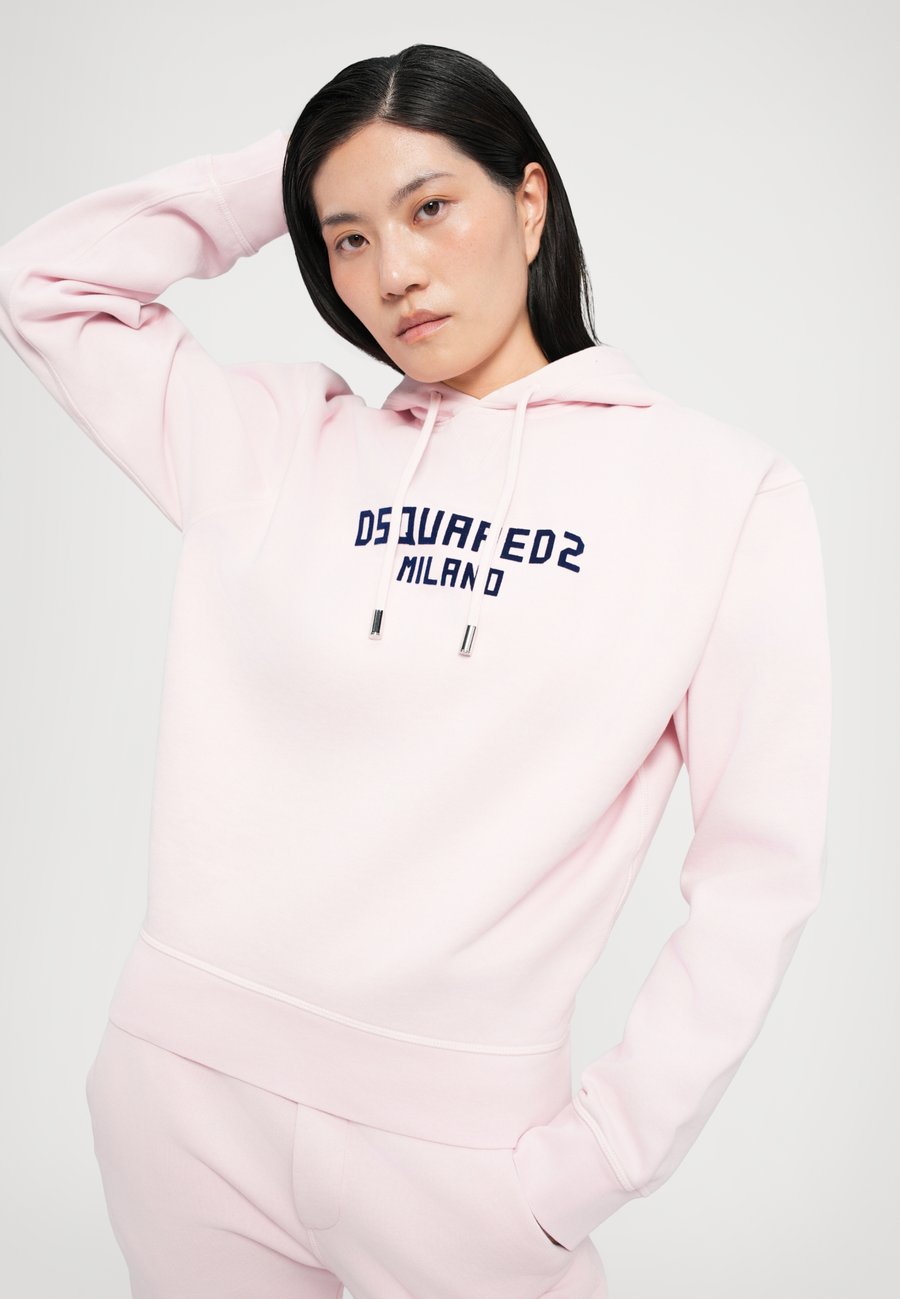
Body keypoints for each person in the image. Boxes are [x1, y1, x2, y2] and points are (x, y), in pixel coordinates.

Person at [0, 41, 831, 1299]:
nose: (392, 272)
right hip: (183, 1107)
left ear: (530, 201)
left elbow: (760, 874)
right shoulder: (278, 442)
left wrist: (598, 1162)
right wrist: (294, 170)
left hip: (461, 1158)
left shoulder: (719, 495)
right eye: (346, 237)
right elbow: (46, 283)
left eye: (430, 207)